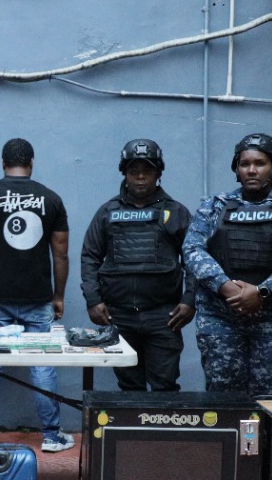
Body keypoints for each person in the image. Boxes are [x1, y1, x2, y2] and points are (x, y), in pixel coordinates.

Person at [182, 133, 272, 396]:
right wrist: (226, 287)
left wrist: (262, 292)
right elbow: (192, 250)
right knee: (223, 397)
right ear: (237, 168)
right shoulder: (215, 206)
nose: (252, 170)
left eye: (260, 163)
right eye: (244, 164)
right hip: (222, 319)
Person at [0, 138, 75, 453]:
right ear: (32, 161)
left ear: (3, 162)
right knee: (42, 366)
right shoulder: (51, 199)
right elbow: (61, 255)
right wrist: (59, 296)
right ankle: (52, 436)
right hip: (38, 297)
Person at [80, 138, 195, 392]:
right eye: (134, 171)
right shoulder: (107, 212)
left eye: (147, 171)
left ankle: (163, 433)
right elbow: (90, 256)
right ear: (125, 173)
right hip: (119, 315)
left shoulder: (175, 212)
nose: (140, 177)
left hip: (163, 317)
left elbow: (194, 260)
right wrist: (93, 299)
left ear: (158, 173)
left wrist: (189, 300)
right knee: (129, 386)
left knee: (164, 385)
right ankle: (133, 434)